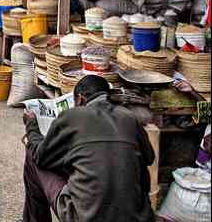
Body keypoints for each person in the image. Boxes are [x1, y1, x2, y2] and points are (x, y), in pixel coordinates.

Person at [21, 75, 155, 222]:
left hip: (85, 217)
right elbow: (149, 158)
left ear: (80, 99)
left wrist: (32, 127)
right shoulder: (129, 117)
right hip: (138, 217)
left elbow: (41, 157)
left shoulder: (72, 116)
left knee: (32, 157)